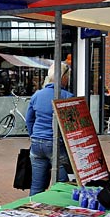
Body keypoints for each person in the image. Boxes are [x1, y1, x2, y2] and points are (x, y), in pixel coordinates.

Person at [25, 62, 73, 196]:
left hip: (37, 143)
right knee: (61, 186)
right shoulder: (67, 96)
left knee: (36, 186)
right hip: (56, 143)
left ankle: (32, 210)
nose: (68, 80)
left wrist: (33, 135)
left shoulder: (37, 95)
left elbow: (29, 119)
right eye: (67, 77)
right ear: (63, 77)